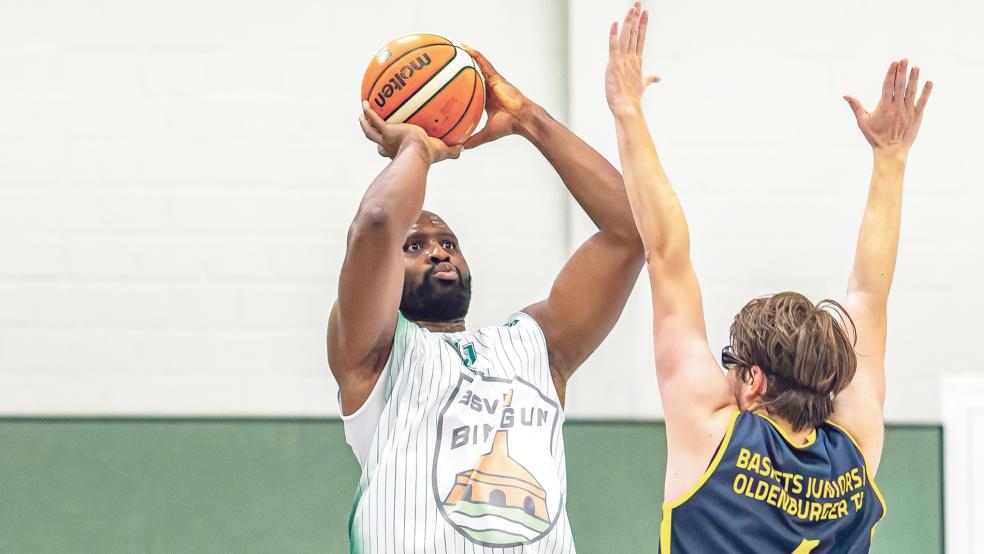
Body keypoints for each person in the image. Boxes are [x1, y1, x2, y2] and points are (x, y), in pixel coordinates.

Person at [604, 3, 932, 552]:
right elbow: (869, 295)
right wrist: (892, 157)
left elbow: (666, 253)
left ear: (753, 381)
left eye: (731, 363)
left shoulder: (711, 434)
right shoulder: (856, 447)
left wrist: (626, 110)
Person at [328, 46, 644, 551]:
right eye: (417, 246)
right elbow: (377, 222)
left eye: (448, 243)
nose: (437, 252)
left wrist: (527, 119)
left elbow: (631, 232)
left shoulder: (533, 347)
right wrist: (417, 148)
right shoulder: (372, 355)